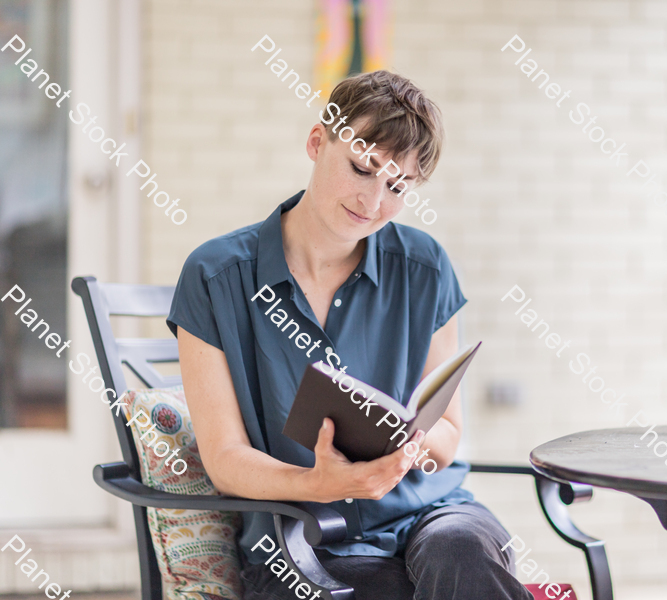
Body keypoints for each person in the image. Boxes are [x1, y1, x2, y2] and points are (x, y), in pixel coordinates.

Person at [167, 70, 532, 600]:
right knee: (376, 589)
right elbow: (225, 460)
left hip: (432, 512)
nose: (373, 201)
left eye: (397, 187)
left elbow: (447, 434)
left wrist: (408, 450)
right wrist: (321, 484)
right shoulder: (216, 276)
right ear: (318, 142)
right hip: (302, 536)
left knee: (465, 552)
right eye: (362, 168)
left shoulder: (425, 268)